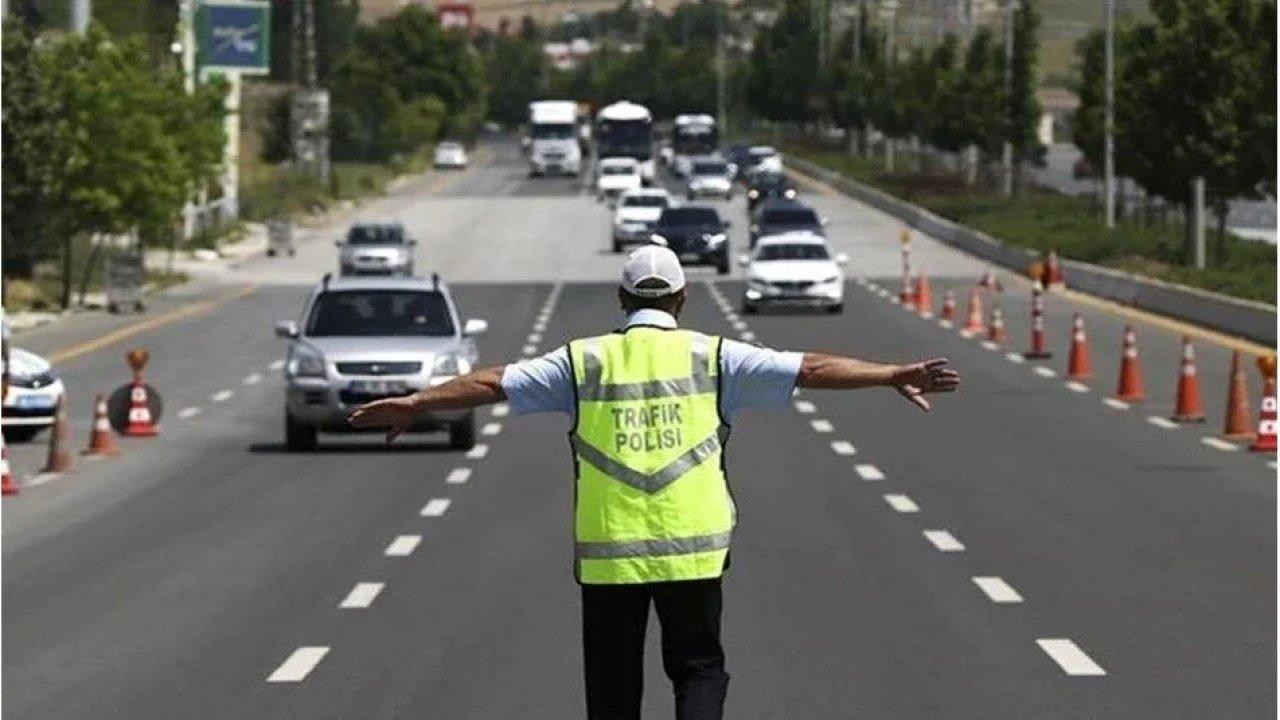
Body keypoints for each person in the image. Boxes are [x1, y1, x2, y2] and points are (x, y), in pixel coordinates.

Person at [348, 246, 960, 720]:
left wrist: (417, 402)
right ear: (683, 298)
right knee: (697, 670)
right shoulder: (716, 356)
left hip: (611, 556)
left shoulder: (581, 361)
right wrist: (890, 374)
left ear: (620, 297)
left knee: (614, 685)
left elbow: (491, 382)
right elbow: (812, 367)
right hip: (694, 549)